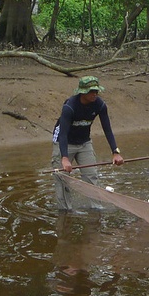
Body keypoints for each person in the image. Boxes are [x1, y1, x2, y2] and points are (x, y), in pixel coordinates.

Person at [51, 75, 124, 210]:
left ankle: (96, 209)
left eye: (96, 91)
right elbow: (62, 134)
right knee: (62, 178)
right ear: (82, 92)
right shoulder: (70, 107)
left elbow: (107, 129)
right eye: (91, 91)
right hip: (64, 142)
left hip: (84, 142)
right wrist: (65, 158)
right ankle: (65, 211)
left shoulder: (100, 105)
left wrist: (115, 151)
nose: (95, 94)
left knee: (91, 175)